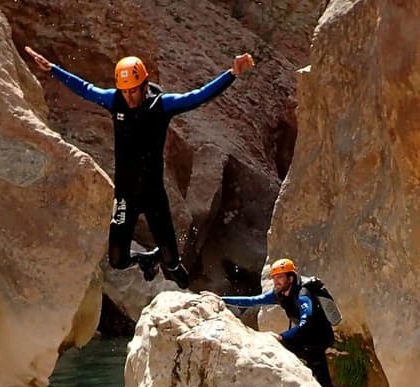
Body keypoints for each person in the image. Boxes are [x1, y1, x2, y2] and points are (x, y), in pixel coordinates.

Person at [24, 45, 255, 287]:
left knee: (173, 264)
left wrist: (232, 73)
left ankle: (165, 260)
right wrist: (53, 69)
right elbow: (85, 88)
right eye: (124, 92)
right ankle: (146, 260)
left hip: (153, 192)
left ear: (144, 85)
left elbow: (197, 96)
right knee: (117, 260)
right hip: (125, 193)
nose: (128, 97)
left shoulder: (161, 105)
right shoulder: (115, 101)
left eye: (133, 91)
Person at [222, 257, 337, 387]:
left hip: (318, 338)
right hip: (304, 335)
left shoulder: (303, 294)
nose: (276, 281)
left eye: (280, 277)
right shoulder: (280, 293)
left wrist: (282, 336)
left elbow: (306, 320)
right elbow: (253, 301)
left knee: (322, 380)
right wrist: (222, 299)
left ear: (291, 278)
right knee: (310, 372)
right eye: (274, 277)